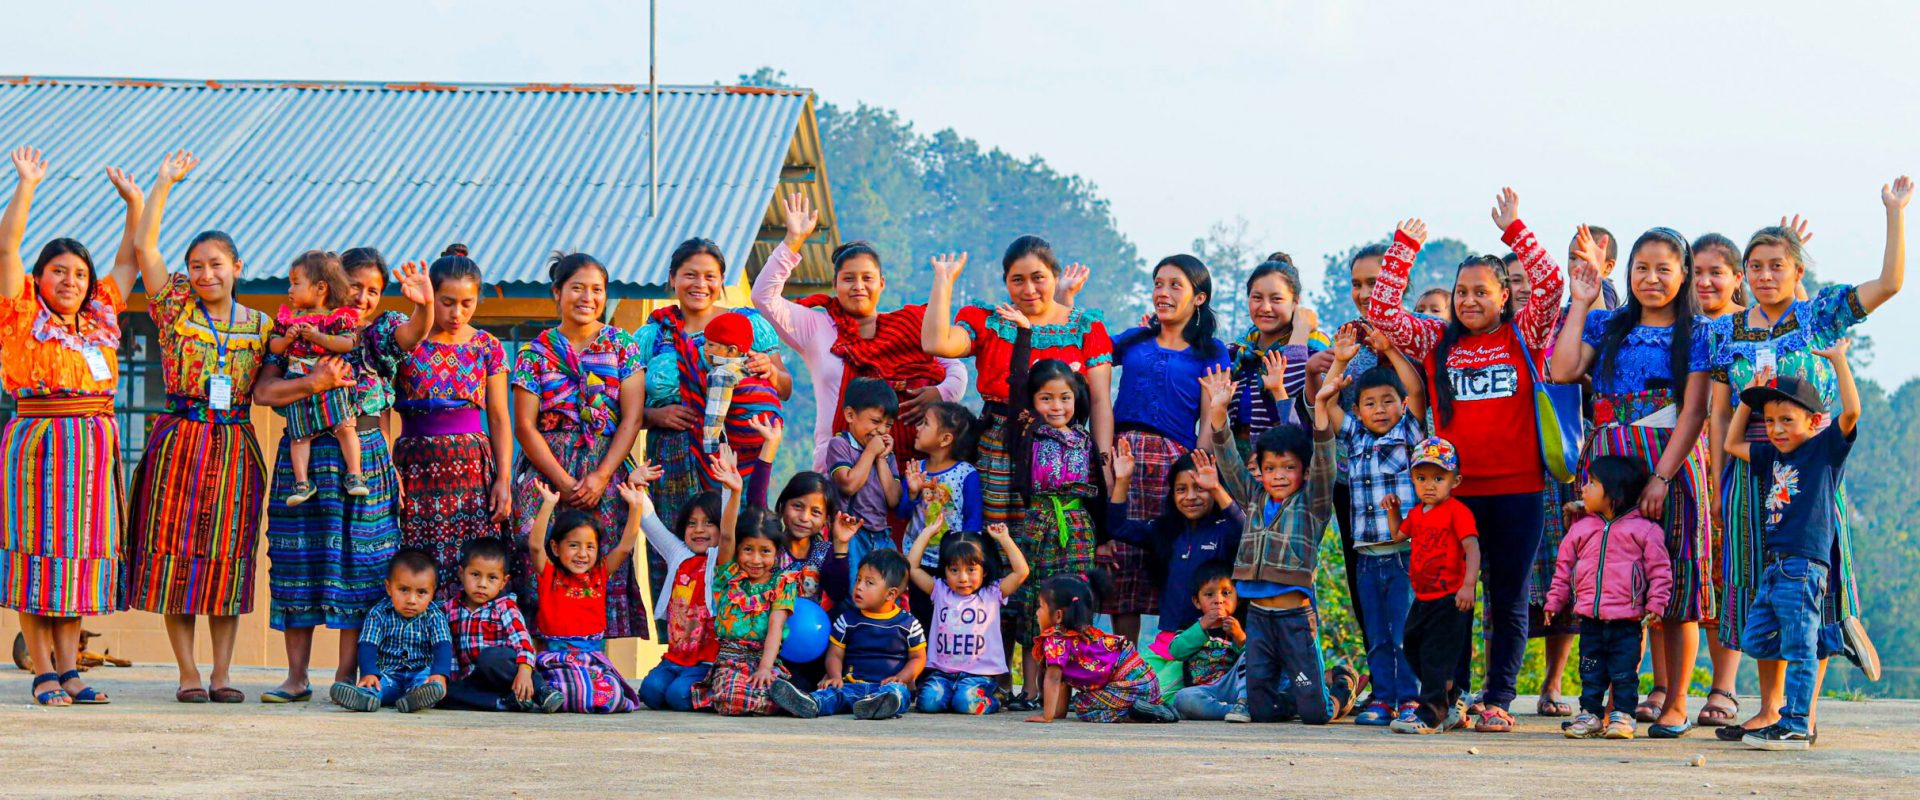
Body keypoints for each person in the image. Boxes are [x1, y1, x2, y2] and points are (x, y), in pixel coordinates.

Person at [1709, 178, 1907, 742]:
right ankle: (1769, 708)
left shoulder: (1822, 315)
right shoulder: (1727, 331)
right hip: (1751, 474)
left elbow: (1890, 283)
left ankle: (1804, 711)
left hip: (1813, 472)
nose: (1765, 275)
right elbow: (1721, 416)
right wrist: (1723, 484)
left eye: (1777, 264)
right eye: (1756, 266)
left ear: (1798, 272)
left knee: (1811, 590)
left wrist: (1894, 213)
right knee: (1759, 591)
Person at [1365, 194, 1566, 733]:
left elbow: (1550, 286)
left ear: (1505, 296)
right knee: (1449, 596)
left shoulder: (1527, 332)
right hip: (1454, 495)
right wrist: (1402, 251)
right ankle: (1446, 699)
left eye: (1482, 291)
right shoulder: (1436, 339)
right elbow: (1381, 313)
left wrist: (1516, 229)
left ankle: (1498, 697)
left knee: (1509, 597)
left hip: (1520, 489)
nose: (1470, 300)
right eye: (1462, 291)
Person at [1548, 226, 1714, 736]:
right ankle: (1613, 703)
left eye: (1664, 268)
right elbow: (1561, 371)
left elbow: (1694, 411)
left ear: (1683, 274)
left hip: (1669, 461)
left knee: (1676, 584)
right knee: (1609, 579)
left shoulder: (1699, 331)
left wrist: (1662, 476)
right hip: (1609, 462)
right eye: (1641, 267)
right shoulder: (1607, 325)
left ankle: (1677, 703)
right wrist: (1581, 300)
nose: (1651, 278)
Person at [123, 150, 274, 704]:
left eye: (216, 264)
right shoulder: (174, 311)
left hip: (235, 443)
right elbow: (146, 248)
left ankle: (223, 673)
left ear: (237, 266)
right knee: (175, 553)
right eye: (197, 265)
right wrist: (162, 183)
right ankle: (188, 673)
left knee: (229, 558)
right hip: (179, 442)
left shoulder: (261, 325)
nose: (205, 274)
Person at [255, 247, 431, 704]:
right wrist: (312, 383)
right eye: (356, 287)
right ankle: (295, 678)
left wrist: (424, 304)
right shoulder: (296, 328)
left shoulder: (376, 334)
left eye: (375, 290)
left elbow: (414, 333)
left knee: (362, 568)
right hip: (305, 453)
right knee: (298, 559)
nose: (365, 298)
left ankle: (347, 676)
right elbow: (265, 391)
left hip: (364, 457)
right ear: (331, 285)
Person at [0, 146, 143, 707]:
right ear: (39, 279)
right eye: (58, 271)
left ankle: (71, 669)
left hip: (93, 449)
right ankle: (42, 671)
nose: (71, 280)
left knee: (78, 561)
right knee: (39, 555)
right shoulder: (19, 314)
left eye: (79, 273)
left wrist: (135, 205)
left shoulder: (100, 317)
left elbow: (129, 262)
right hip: (39, 444)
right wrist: (27, 185)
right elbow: (8, 245)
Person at [750, 192, 967, 473]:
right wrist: (794, 241)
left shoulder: (909, 328)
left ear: (882, 284)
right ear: (835, 284)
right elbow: (763, 297)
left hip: (906, 470)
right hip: (838, 467)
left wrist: (939, 393)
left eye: (867, 278)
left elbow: (957, 369)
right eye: (848, 279)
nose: (858, 286)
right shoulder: (817, 326)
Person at [1199, 364, 1357, 726]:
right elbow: (1231, 463)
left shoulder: (1313, 502)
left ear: (1303, 471)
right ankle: (1294, 701)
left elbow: (1325, 460)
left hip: (1295, 620)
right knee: (1260, 710)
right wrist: (1219, 412)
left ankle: (1342, 688)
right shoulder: (1254, 498)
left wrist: (1319, 407)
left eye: (1288, 468)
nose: (1279, 476)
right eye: (1270, 468)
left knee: (1316, 714)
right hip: (1259, 619)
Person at [1722, 340, 1860, 751]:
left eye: (1787, 420)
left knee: (1799, 650)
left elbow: (1851, 413)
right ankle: (1834, 637)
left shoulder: (1823, 451)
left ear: (1815, 421)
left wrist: (1839, 362)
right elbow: (1731, 445)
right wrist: (1751, 398)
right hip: (1774, 567)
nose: (1777, 429)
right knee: (1754, 640)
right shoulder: (1771, 456)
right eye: (1771, 421)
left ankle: (1796, 723)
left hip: (1804, 567)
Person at [509, 252, 648, 640]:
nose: (587, 297)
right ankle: (535, 665)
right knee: (538, 558)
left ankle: (593, 664)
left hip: (605, 464)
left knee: (599, 562)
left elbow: (632, 418)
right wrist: (564, 482)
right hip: (546, 472)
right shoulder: (533, 353)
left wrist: (601, 476)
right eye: (577, 288)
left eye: (597, 290)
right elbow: (524, 424)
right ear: (557, 292)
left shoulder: (622, 345)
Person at [1106, 254, 1231, 645]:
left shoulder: (1211, 351)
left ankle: (1172, 659)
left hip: (1173, 464)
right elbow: (1089, 368)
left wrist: (1198, 471)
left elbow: (1212, 416)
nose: (1163, 292)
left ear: (1199, 297)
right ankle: (1125, 666)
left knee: (1173, 558)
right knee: (1122, 560)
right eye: (1159, 283)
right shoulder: (1135, 340)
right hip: (1123, 455)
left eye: (1175, 285)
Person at [636, 239, 790, 533]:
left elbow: (784, 388)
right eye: (690, 275)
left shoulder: (747, 325)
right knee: (676, 552)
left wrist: (769, 370)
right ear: (673, 278)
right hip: (670, 464)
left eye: (710, 276)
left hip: (733, 460)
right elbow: (625, 411)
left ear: (722, 281)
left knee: (736, 548)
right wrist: (656, 416)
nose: (700, 284)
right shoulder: (651, 336)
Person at [1319, 324, 1428, 726]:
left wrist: (1391, 349)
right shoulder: (1354, 436)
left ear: (1400, 405)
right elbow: (1327, 402)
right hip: (1366, 556)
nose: (1379, 409)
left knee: (1405, 632)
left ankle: (1410, 699)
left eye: (1387, 401)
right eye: (1369, 403)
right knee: (1378, 635)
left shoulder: (1409, 432)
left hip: (1403, 555)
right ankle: (1382, 699)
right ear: (1359, 409)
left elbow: (1417, 392)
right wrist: (1341, 361)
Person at [999, 320, 1110, 707]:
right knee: (1034, 605)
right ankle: (1030, 689)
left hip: (1078, 527)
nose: (1056, 406)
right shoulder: (1027, 431)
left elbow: (1099, 492)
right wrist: (1024, 336)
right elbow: (1015, 382)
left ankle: (1075, 687)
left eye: (1064, 398)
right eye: (1046, 398)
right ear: (1034, 401)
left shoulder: (1084, 438)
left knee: (1075, 601)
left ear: (1075, 399)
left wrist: (1107, 538)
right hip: (1039, 525)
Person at [393, 245, 512, 598]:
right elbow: (382, 408)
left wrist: (503, 479)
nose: (456, 313)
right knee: (417, 563)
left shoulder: (487, 347)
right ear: (431, 296)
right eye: (446, 302)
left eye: (467, 303)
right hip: (414, 470)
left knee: (471, 566)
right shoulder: (404, 341)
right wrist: (387, 466)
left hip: (472, 472)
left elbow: (500, 418)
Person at [1544, 456, 1674, 740]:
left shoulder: (1645, 530)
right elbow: (1563, 567)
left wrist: (1656, 604)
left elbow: (1660, 571)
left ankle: (1623, 716)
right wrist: (1554, 602)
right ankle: (1590, 714)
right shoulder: (1581, 528)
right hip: (1590, 620)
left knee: (1624, 672)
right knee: (1589, 669)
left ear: (1614, 492)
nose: (1583, 489)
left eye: (1592, 483)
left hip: (1626, 622)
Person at [1107, 443, 1243, 695]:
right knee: (1123, 685)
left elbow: (1246, 531)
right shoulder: (1164, 530)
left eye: (1200, 488)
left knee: (1154, 694)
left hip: (1210, 647)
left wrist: (1216, 487)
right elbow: (1117, 527)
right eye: (1181, 490)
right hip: (1168, 644)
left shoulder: (1224, 530)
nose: (1190, 497)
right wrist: (1123, 480)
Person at [691, 446, 816, 717]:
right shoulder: (729, 575)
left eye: (765, 551)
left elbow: (774, 628)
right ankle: (779, 703)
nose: (756, 560)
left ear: (777, 553)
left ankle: (782, 695)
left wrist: (765, 667)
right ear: (738, 551)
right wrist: (735, 492)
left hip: (763, 660)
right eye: (748, 550)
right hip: (730, 661)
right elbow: (725, 536)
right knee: (731, 700)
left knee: (751, 690)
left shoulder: (782, 582)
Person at [523, 476, 647, 713]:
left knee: (612, 694)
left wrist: (636, 506)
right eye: (573, 545)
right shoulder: (550, 575)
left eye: (590, 546)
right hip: (555, 661)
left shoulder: (599, 574)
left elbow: (624, 546)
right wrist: (548, 503)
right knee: (572, 691)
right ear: (557, 548)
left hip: (592, 661)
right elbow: (536, 546)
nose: (582, 553)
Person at [1385, 437, 1481, 735]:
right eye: (1422, 478)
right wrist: (1393, 510)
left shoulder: (1457, 511)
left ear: (1455, 481)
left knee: (1435, 655)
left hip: (1450, 598)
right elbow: (1398, 536)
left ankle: (1430, 716)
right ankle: (1449, 701)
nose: (1429, 485)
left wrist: (1468, 586)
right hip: (1424, 597)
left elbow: (1473, 548)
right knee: (1411, 644)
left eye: (1438, 478)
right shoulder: (1417, 513)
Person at [906, 523, 1030, 715]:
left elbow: (1021, 572)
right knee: (928, 703)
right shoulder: (939, 590)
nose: (962, 578)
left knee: (966, 703)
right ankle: (952, 697)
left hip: (979, 675)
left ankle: (995, 698)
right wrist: (926, 533)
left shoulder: (993, 592)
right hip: (943, 673)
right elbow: (912, 568)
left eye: (971, 570)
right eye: (954, 570)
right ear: (944, 571)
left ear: (985, 570)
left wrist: (1004, 539)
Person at [788, 549, 927, 720]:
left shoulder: (908, 623)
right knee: (834, 694)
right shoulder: (847, 620)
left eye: (869, 583)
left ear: (890, 594)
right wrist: (835, 677)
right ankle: (810, 703)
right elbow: (835, 655)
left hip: (887, 688)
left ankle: (880, 704)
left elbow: (918, 658)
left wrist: (901, 678)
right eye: (858, 580)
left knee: (898, 694)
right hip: (852, 686)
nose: (859, 587)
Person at [271, 250, 363, 505]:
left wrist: (318, 338)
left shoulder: (337, 317)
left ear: (321, 287)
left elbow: (347, 343)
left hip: (333, 382)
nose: (290, 289)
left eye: (296, 283)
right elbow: (274, 347)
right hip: (298, 381)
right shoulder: (288, 319)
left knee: (346, 426)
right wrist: (287, 339)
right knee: (299, 435)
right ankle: (302, 483)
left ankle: (355, 473)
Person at [1024, 571, 1177, 724]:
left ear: (1058, 615)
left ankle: (1138, 714)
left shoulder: (1056, 640)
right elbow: (1064, 680)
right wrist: (1057, 713)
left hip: (1130, 686)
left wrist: (1047, 717)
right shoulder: (1084, 635)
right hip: (1146, 681)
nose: (1037, 613)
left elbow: (1054, 678)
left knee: (1084, 706)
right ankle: (1155, 707)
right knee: (1092, 700)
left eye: (1041, 607)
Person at [441, 538, 562, 713]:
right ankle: (503, 703)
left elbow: (523, 643)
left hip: (506, 675)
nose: (482, 584)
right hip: (475, 680)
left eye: (492, 578)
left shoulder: (504, 607)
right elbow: (451, 652)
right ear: (461, 573)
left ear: (503, 582)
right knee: (444, 692)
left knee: (490, 657)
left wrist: (525, 672)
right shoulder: (450, 609)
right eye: (475, 575)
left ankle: (541, 691)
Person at [330, 549, 452, 713]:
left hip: (420, 671)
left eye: (421, 592)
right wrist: (369, 673)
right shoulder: (378, 613)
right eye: (403, 590)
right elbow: (367, 644)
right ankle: (366, 698)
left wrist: (440, 674)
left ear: (432, 592)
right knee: (375, 686)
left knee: (427, 683)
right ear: (389, 587)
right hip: (387, 675)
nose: (411, 600)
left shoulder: (434, 616)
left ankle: (415, 699)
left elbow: (442, 645)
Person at [897, 401, 982, 626]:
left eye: (925, 424)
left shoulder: (966, 474)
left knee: (948, 619)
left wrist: (965, 555)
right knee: (920, 618)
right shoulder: (917, 469)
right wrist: (913, 491)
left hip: (952, 564)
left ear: (945, 439)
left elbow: (973, 518)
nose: (917, 428)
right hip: (918, 559)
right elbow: (902, 511)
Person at [637, 491, 721, 711]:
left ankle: (722, 691)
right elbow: (649, 521)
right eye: (692, 523)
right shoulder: (678, 555)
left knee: (678, 697)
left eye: (709, 523)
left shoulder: (723, 561)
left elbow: (731, 528)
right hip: (676, 658)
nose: (699, 529)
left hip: (706, 662)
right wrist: (636, 486)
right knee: (650, 693)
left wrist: (732, 487)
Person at [825, 377, 904, 598]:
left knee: (884, 593)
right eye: (875, 421)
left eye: (888, 425)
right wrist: (870, 453)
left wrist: (881, 459)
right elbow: (849, 484)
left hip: (881, 535)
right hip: (851, 536)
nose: (881, 430)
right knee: (854, 592)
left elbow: (894, 499)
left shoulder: (886, 456)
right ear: (850, 415)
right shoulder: (840, 444)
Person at [1166, 564, 1251, 721]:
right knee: (1183, 698)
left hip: (1233, 688)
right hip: (1203, 691)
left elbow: (1254, 660)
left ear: (1237, 600)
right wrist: (1201, 626)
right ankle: (1236, 710)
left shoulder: (1242, 626)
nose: (1218, 601)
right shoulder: (1190, 626)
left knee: (1254, 653)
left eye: (1226, 593)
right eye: (1209, 594)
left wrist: (1239, 637)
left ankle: (1244, 703)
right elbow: (1176, 651)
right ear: (1197, 602)